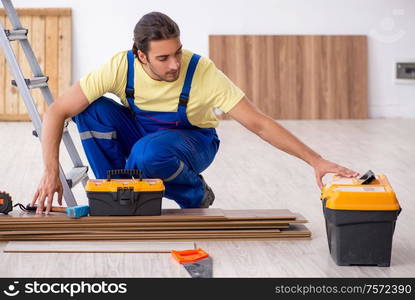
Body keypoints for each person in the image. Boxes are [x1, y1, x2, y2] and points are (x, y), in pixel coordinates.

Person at [31, 12, 359, 214]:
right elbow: (57, 111)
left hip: (193, 141)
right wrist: (51, 172)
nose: (175, 64)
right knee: (92, 110)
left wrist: (316, 161)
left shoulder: (201, 71)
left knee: (149, 152)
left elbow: (259, 123)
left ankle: (195, 194)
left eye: (177, 52)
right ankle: (117, 196)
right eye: (163, 58)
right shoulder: (120, 66)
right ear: (140, 56)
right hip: (144, 134)